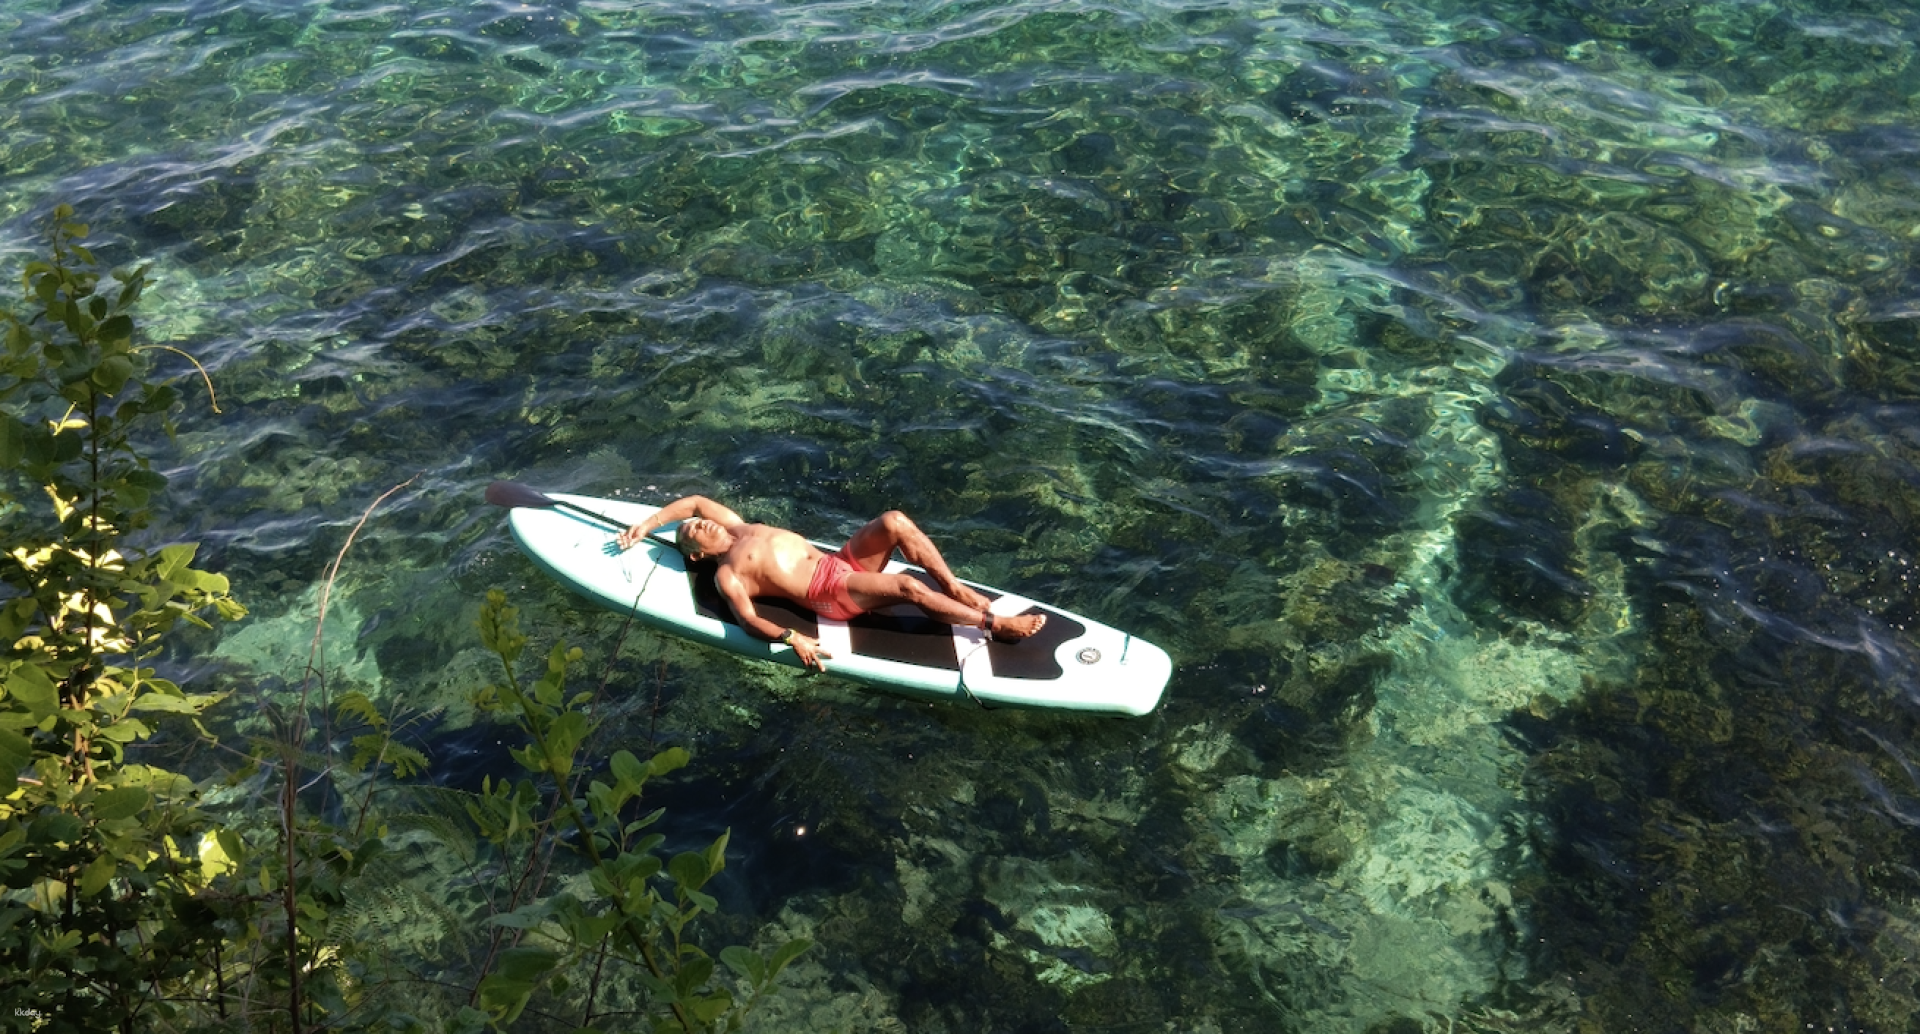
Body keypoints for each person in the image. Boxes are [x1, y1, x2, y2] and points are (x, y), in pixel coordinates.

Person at [616, 495, 1044, 672]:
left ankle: (953, 587)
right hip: (829, 596)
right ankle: (992, 623)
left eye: (696, 522)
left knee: (894, 521)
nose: (699, 521)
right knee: (907, 588)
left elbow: (691, 500)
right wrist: (790, 637)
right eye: (692, 530)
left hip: (838, 562)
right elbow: (746, 620)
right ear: (696, 555)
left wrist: (648, 523)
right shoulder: (729, 572)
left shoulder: (735, 525)